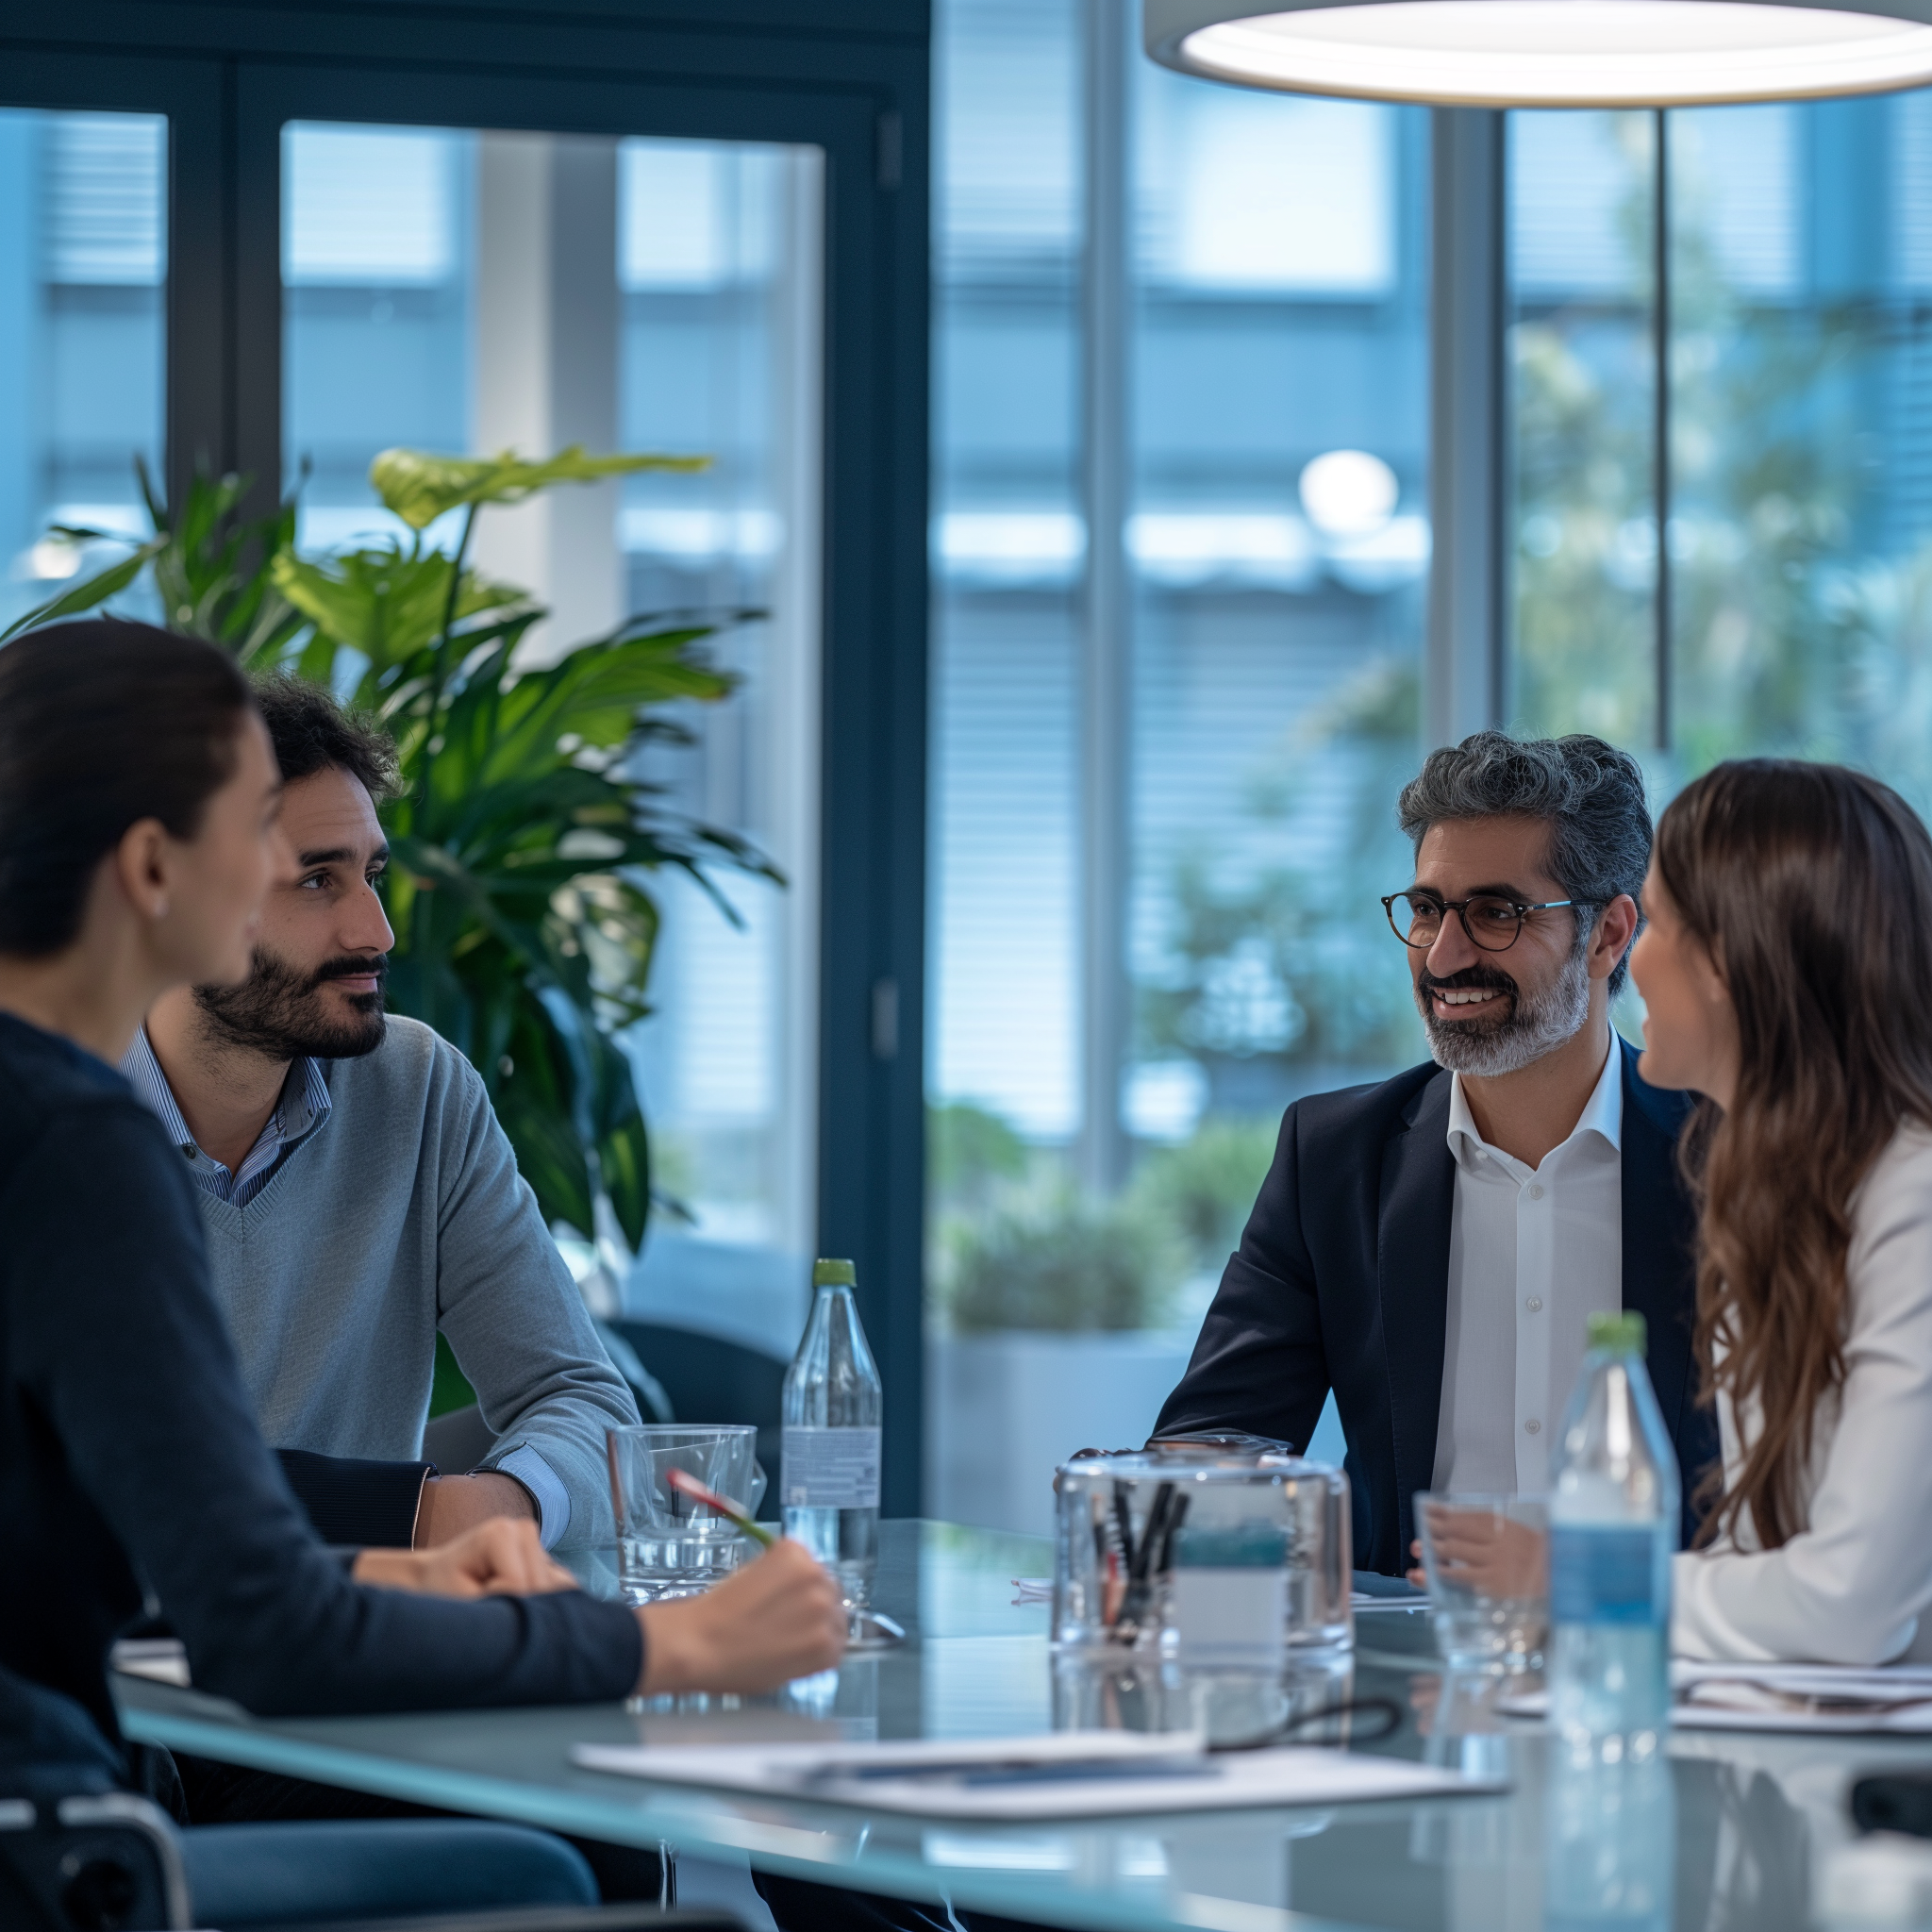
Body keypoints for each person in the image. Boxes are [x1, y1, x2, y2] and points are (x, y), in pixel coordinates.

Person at [0, 619, 845, 1922]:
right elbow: (268, 1629)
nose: (376, 924)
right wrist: (670, 1644)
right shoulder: (75, 1143)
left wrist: (396, 1558)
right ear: (156, 865)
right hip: (70, 1848)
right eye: (269, 850)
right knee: (643, 1894)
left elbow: (73, 1515)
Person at [1154, 730, 1720, 1574]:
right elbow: (1210, 1449)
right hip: (1412, 1674)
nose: (1444, 955)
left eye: (1497, 914)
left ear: (1608, 935)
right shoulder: (1335, 1158)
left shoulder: (1725, 1155)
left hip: (1654, 1657)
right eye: (1426, 910)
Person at [124, 675, 636, 1555]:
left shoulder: (420, 1089)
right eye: (317, 880)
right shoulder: (39, 1110)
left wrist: (508, 1505)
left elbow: (584, 1403)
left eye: (372, 874)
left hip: (367, 1661)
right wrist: (412, 1514)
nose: (377, 930)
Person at [1631, 758, 1932, 1665]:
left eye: (1653, 922)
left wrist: (1587, 1580)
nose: (1632, 961)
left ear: (1726, 957)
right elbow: (1760, 1562)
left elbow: (1845, 1607)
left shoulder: (1912, 1198)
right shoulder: (1778, 1199)